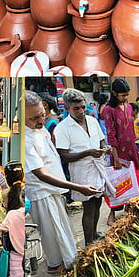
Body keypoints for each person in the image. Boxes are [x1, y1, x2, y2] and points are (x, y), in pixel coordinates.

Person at [24, 91, 101, 275]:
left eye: (42, 114)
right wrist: (76, 186)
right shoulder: (25, 139)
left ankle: (64, 262)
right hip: (42, 193)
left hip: (55, 189)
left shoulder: (39, 129)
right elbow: (40, 173)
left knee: (62, 229)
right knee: (52, 234)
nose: (42, 120)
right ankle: (54, 266)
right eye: (35, 118)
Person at [53, 88, 109, 245]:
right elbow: (63, 155)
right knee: (89, 207)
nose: (81, 111)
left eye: (83, 107)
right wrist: (88, 152)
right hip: (82, 171)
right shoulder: (62, 128)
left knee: (98, 202)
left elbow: (101, 139)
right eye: (76, 108)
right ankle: (89, 242)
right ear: (67, 108)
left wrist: (105, 147)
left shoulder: (92, 121)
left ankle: (95, 232)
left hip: (98, 167)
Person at [99, 78, 139, 181]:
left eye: (127, 95)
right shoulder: (109, 110)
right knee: (123, 182)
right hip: (119, 152)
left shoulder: (129, 107)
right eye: (123, 95)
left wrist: (136, 150)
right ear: (114, 93)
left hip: (132, 149)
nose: (126, 98)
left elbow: (131, 131)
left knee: (135, 181)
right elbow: (111, 136)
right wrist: (116, 159)